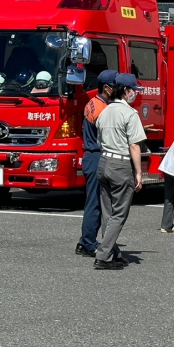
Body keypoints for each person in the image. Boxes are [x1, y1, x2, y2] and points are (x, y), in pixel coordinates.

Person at [93, 73, 147, 270]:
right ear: (126, 91)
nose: (136, 94)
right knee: (119, 214)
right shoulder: (129, 114)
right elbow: (134, 145)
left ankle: (112, 251)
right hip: (121, 164)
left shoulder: (104, 111)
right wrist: (139, 173)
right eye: (134, 91)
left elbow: (99, 140)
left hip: (104, 161)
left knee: (107, 213)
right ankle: (103, 255)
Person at [75, 69, 117, 258]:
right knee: (96, 204)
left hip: (90, 154)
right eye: (117, 86)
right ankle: (88, 243)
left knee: (94, 202)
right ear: (107, 88)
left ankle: (86, 240)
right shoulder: (103, 109)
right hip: (98, 155)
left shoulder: (93, 103)